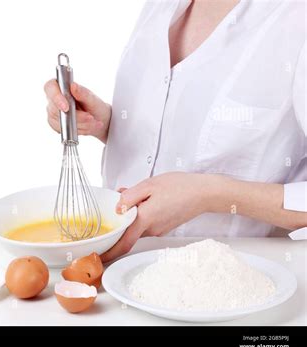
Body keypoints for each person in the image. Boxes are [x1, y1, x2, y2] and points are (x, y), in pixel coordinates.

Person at [44, 0, 307, 262]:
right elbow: (170, 132)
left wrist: (207, 194)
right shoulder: (160, 6)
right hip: (117, 272)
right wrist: (105, 123)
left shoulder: (295, 19)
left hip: (228, 281)